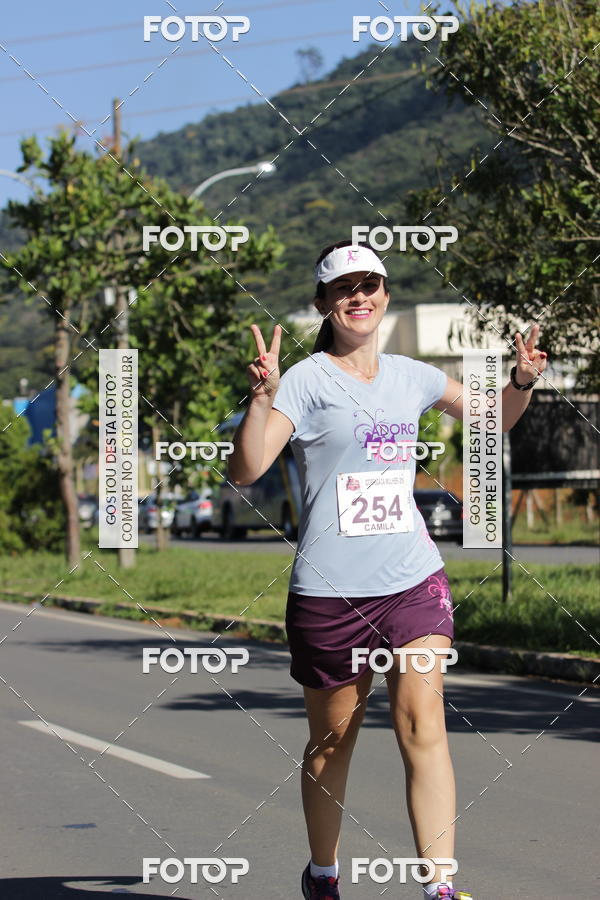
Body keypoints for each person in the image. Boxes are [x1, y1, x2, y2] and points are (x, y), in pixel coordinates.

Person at [229, 240, 547, 900]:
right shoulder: (304, 382)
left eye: (369, 283)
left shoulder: (413, 376)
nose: (359, 296)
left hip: (411, 579)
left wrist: (520, 382)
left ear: (385, 294)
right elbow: (248, 469)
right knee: (332, 743)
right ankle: (323, 876)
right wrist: (261, 398)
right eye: (343, 287)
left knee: (422, 724)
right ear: (323, 302)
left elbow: (492, 418)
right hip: (331, 592)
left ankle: (439, 887)